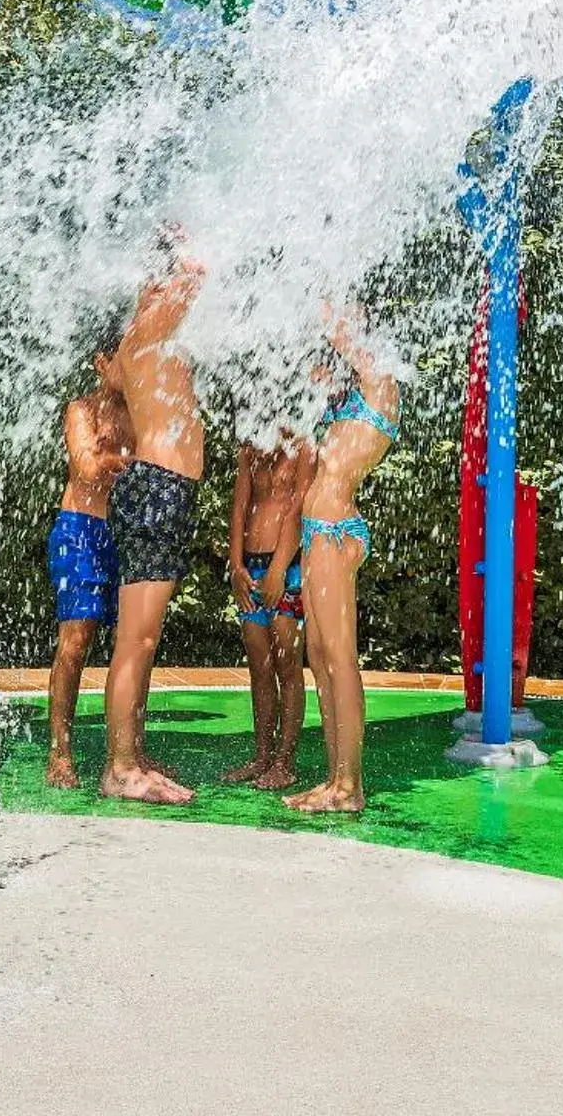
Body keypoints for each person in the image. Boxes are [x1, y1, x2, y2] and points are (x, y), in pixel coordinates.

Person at [101, 233, 207, 805]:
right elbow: (196, 273)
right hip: (155, 493)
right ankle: (119, 769)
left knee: (143, 640)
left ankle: (131, 754)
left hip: (165, 494)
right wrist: (189, 236)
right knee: (135, 641)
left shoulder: (153, 341)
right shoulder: (143, 332)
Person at [286, 306, 402, 815]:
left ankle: (349, 785)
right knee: (317, 654)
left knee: (339, 656)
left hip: (335, 532)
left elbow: (339, 326)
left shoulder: (383, 382)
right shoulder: (354, 389)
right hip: (318, 531)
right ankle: (333, 777)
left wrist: (324, 297)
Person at [44, 346, 132, 789]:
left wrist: (110, 458)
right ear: (101, 362)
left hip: (122, 534)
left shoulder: (139, 413)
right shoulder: (81, 410)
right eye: (124, 357)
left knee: (129, 646)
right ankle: (60, 752)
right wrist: (122, 461)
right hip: (78, 529)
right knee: (75, 642)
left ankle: (129, 752)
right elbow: (86, 468)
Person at [224, 429, 313, 790]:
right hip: (251, 569)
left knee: (287, 666)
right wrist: (235, 566)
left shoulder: (305, 445)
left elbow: (299, 508)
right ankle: (262, 755)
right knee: (259, 667)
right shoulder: (252, 447)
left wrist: (279, 569)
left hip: (287, 569)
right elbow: (240, 506)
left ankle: (284, 762)